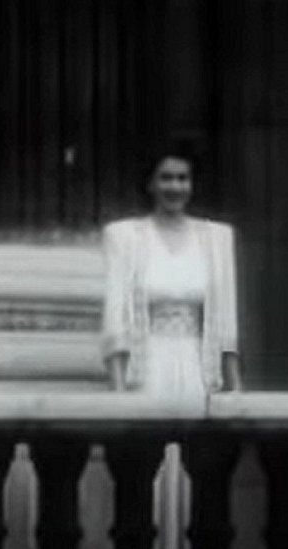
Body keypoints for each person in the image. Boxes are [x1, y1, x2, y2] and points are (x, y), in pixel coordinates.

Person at [102, 148, 242, 400]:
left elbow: (226, 319)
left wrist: (235, 388)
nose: (175, 187)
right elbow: (115, 317)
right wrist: (119, 394)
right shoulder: (125, 237)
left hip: (197, 365)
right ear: (150, 184)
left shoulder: (216, 239)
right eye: (166, 178)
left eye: (182, 178)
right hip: (148, 365)